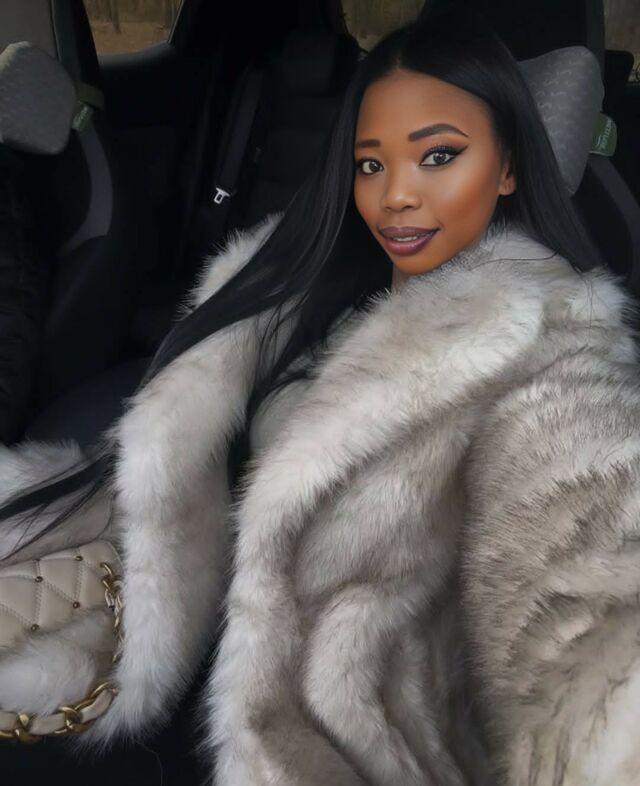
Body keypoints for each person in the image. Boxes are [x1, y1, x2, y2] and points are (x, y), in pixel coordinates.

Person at [1, 5, 640, 785]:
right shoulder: (299, 283)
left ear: (507, 167)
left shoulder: (549, 353)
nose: (395, 195)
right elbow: (175, 476)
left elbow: (589, 584)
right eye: (371, 164)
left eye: (438, 156)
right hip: (169, 646)